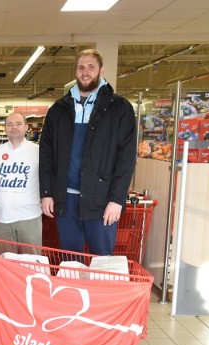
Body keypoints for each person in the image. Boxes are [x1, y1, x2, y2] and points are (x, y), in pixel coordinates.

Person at [39, 49, 136, 255]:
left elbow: (126, 159)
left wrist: (117, 199)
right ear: (75, 71)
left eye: (91, 67)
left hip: (101, 201)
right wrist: (46, 193)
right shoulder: (59, 109)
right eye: (81, 67)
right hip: (66, 200)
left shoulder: (119, 108)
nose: (85, 72)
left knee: (102, 263)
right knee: (70, 261)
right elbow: (46, 154)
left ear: (101, 70)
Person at [0, 112, 41, 254]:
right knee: (6, 262)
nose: (14, 127)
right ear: (5, 128)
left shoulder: (38, 151)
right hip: (2, 218)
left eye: (18, 124)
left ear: (27, 127)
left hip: (30, 217)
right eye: (10, 124)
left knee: (33, 262)